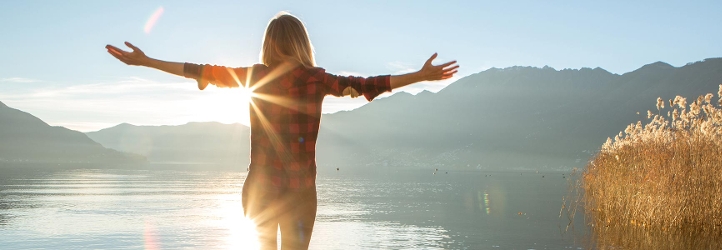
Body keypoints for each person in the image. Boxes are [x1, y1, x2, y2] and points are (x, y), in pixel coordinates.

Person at [106, 11, 458, 250]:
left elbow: (199, 70)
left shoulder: (256, 76)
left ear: (269, 43)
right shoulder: (317, 79)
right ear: (302, 42)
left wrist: (147, 61)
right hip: (301, 192)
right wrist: (419, 75)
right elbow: (369, 84)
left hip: (259, 189)